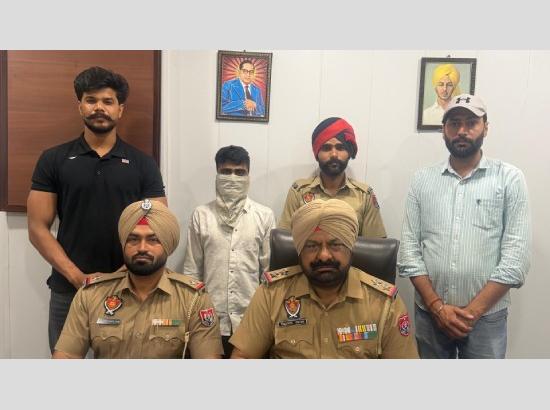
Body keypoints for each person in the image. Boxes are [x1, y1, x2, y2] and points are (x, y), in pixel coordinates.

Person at [27, 66, 166, 353]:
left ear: (120, 109)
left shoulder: (143, 164)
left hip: (129, 288)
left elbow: (159, 228)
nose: (99, 108)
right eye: (91, 100)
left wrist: (119, 276)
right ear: (80, 106)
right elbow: (37, 228)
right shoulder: (53, 159)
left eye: (107, 101)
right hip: (68, 289)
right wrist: (77, 277)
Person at [398, 94, 531, 359]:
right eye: (454, 123)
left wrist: (471, 313)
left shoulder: (509, 179)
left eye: (471, 123)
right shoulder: (422, 180)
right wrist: (437, 308)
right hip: (430, 315)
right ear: (443, 130)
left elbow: (516, 259)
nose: (462, 130)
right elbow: (409, 251)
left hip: (487, 319)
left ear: (486, 128)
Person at [230, 199, 418, 359]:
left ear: (351, 248)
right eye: (312, 246)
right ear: (299, 251)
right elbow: (242, 357)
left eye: (335, 245)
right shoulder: (272, 294)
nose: (324, 255)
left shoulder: (384, 304)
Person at [52, 199, 223, 359]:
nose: (142, 248)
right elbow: (66, 357)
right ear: (123, 244)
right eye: (133, 239)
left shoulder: (193, 299)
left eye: (153, 240)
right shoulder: (91, 295)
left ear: (167, 244)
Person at [183, 145, 276, 357]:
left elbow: (269, 274)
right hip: (208, 320)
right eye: (226, 171)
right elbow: (192, 271)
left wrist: (265, 318)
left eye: (240, 172)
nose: (233, 178)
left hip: (252, 321)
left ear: (248, 175)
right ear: (217, 174)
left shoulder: (264, 216)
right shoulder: (201, 215)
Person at [278, 117, 386, 238]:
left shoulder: (364, 195)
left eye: (340, 148)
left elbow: (375, 246)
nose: (334, 154)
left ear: (349, 153)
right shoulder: (299, 191)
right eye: (326, 148)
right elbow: (284, 241)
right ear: (317, 153)